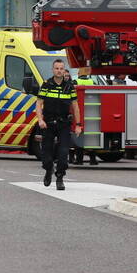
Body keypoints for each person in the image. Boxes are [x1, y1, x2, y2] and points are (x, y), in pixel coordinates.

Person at [36, 59, 82, 190]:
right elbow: (39, 103)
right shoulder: (46, 84)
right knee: (46, 153)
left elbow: (75, 106)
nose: (59, 71)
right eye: (57, 68)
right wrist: (40, 119)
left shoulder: (69, 86)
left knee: (63, 153)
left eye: (61, 68)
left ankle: (60, 177)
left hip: (64, 123)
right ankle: (48, 169)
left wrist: (78, 125)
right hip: (48, 123)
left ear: (64, 70)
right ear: (53, 70)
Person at [71, 68, 98, 166]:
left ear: (78, 74)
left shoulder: (75, 81)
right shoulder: (92, 82)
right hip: (91, 111)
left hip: (79, 111)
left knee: (79, 136)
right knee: (91, 137)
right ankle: (93, 159)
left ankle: (79, 159)